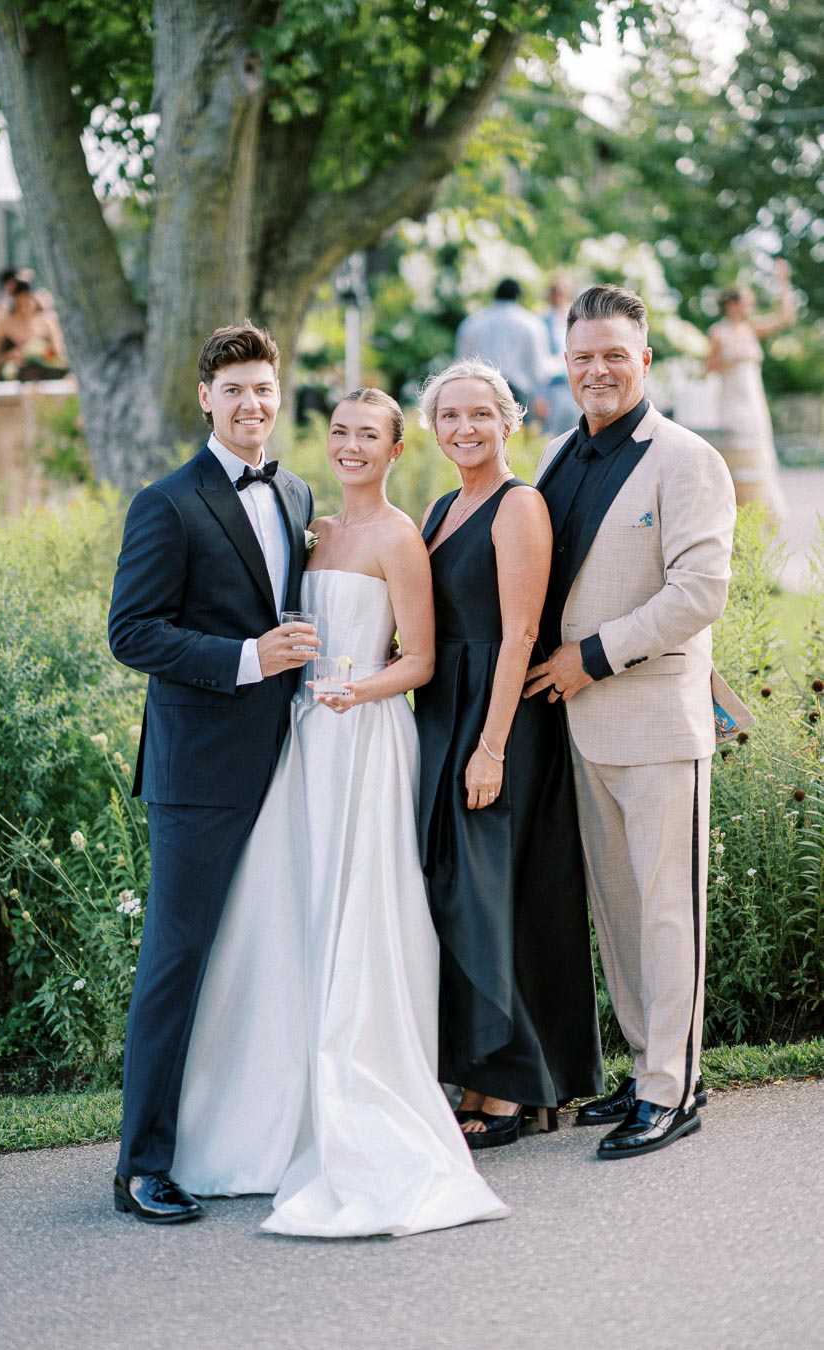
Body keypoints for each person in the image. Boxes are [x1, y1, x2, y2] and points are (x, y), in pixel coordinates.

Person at [172, 388, 508, 1237]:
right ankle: (267, 1113)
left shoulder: (399, 538)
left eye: (369, 436)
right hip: (304, 739)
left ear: (396, 451)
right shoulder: (310, 530)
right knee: (288, 908)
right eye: (340, 432)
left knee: (361, 907)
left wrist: (358, 691)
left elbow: (421, 659)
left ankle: (362, 1091)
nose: (351, 446)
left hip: (365, 737)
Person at [526, 284, 748, 1159]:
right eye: (582, 356)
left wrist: (591, 656)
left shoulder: (688, 459)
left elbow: (699, 592)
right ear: (565, 362)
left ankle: (674, 1088)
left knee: (666, 913)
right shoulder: (553, 453)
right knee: (619, 913)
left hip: (655, 720)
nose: (597, 370)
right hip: (576, 727)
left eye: (614, 355)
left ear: (645, 360)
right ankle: (647, 1064)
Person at [107, 322, 318, 1223]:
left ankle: (251, 1137)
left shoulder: (299, 493)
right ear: (205, 399)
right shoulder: (168, 502)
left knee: (272, 949)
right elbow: (132, 631)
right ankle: (142, 1166)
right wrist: (247, 658)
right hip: (199, 770)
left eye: (263, 388)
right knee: (178, 956)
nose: (250, 403)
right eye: (233, 390)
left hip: (295, 758)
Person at [414, 358, 604, 1151]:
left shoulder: (518, 505)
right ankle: (485, 1073)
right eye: (449, 416)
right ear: (433, 429)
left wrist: (490, 747)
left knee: (491, 897)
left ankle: (510, 1089)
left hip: (501, 721)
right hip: (444, 714)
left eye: (479, 414)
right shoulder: (440, 508)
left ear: (508, 420)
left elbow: (522, 633)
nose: (465, 428)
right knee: (460, 895)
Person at [705, 259, 794, 518]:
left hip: (754, 397)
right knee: (735, 450)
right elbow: (708, 367)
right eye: (746, 301)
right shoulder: (718, 332)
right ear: (732, 304)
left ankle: (763, 503)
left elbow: (785, 318)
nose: (750, 306)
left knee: (760, 447)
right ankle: (735, 504)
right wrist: (727, 358)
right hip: (732, 399)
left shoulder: (750, 328)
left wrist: (783, 283)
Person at [455, 278, 550, 422]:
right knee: (519, 432)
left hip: (481, 389)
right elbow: (537, 365)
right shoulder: (531, 323)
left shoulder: (472, 323)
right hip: (519, 393)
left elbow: (462, 362)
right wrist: (541, 395)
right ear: (518, 295)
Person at [0, 279, 68, 382]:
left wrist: (42, 354)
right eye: (20, 303)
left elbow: (59, 354)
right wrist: (10, 357)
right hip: (13, 378)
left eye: (27, 302)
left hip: (45, 377)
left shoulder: (48, 322)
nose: (24, 308)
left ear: (36, 301)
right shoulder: (3, 324)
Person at [542, 277, 581, 436]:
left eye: (563, 292)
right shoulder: (542, 321)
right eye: (556, 292)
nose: (560, 297)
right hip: (553, 385)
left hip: (575, 380)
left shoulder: (579, 321)